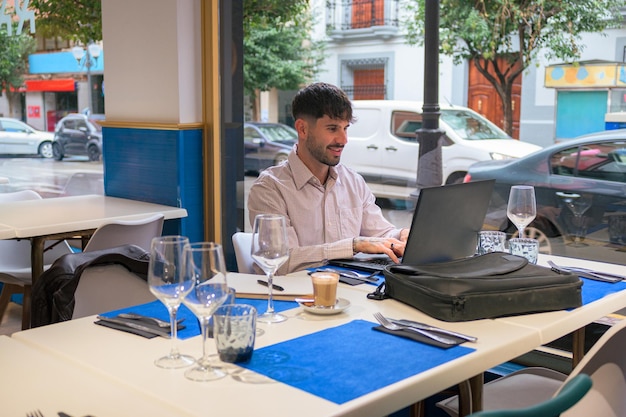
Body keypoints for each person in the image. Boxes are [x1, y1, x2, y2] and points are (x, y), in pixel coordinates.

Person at [247, 82, 408, 274]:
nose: (343, 140)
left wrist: (401, 236)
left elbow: (380, 233)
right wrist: (353, 246)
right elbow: (280, 262)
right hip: (298, 299)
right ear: (303, 129)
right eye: (332, 129)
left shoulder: (353, 181)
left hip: (353, 294)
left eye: (345, 128)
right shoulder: (269, 189)